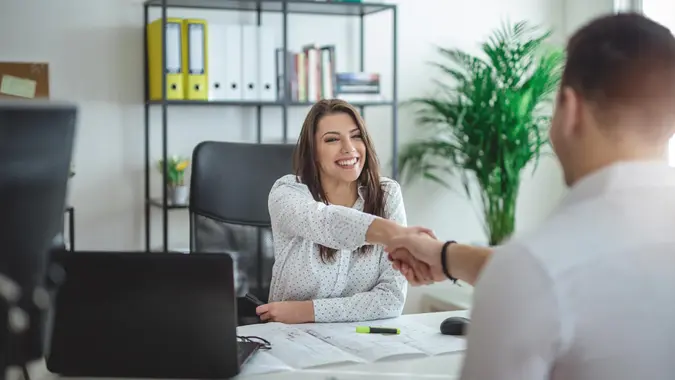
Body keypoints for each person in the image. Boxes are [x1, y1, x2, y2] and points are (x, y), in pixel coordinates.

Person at [387, 13, 675, 380]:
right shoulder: (542, 266)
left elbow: (540, 277)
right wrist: (446, 256)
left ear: (570, 109)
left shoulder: (535, 266)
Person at [256, 99, 432, 324]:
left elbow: (391, 299)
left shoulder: (387, 193)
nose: (349, 148)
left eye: (356, 136)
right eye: (332, 139)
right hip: (291, 339)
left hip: (362, 341)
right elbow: (327, 222)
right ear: (313, 151)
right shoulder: (287, 192)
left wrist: (307, 311)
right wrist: (395, 234)